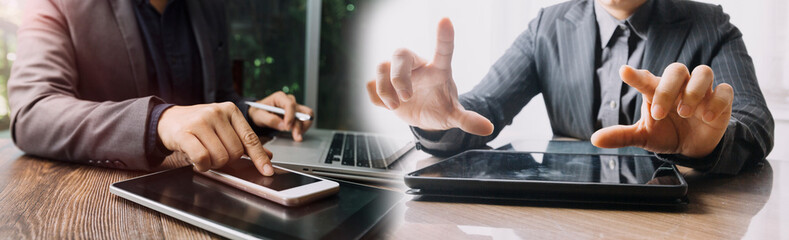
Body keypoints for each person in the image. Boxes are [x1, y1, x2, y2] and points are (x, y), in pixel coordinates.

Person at [367, 0, 774, 174]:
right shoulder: (546, 27)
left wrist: (706, 145)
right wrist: (438, 120)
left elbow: (754, 123)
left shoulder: (711, 25)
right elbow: (479, 110)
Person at [8, 0, 313, 176]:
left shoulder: (209, 7)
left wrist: (252, 111)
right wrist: (159, 121)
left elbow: (216, 98)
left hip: (209, 186)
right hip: (104, 197)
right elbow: (32, 112)